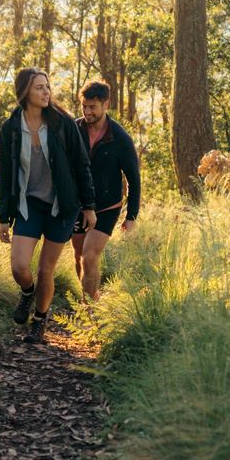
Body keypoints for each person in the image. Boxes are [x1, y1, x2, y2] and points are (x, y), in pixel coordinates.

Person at [0, 68, 97, 343]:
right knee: (19, 268)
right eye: (39, 87)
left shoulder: (62, 123)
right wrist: (3, 217)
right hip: (29, 205)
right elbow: (5, 174)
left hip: (60, 206)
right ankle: (27, 293)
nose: (46, 92)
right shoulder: (11, 129)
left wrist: (88, 205)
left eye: (47, 87)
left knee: (45, 271)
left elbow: (81, 164)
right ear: (25, 91)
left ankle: (40, 321)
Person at [70, 80, 140, 303]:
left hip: (107, 206)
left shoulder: (120, 138)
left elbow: (134, 179)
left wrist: (131, 216)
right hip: (78, 205)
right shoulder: (74, 130)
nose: (87, 111)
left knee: (90, 257)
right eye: (84, 106)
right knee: (79, 256)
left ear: (106, 104)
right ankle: (91, 297)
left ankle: (90, 310)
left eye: (93, 107)